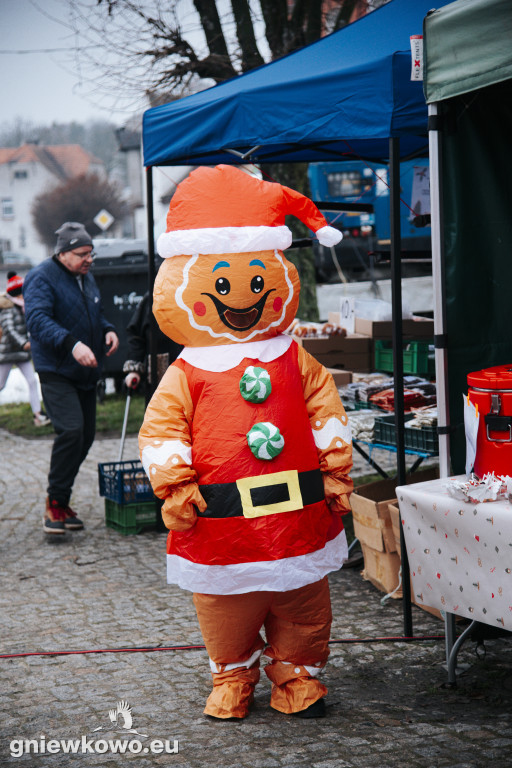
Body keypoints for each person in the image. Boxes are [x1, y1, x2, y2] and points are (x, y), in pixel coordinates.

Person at [139, 165, 353, 720]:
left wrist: (335, 471)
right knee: (227, 602)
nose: (242, 296)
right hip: (223, 521)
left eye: (258, 282)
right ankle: (233, 673)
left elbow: (323, 408)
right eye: (226, 284)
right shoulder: (188, 371)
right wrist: (175, 484)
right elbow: (162, 430)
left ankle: (296, 670)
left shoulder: (292, 356)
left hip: (296, 511)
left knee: (302, 596)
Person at [23, 222, 119, 535]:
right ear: (63, 254)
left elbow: (94, 312)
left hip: (85, 370)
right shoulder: (41, 277)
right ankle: (55, 502)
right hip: (56, 369)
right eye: (82, 254)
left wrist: (107, 329)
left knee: (87, 435)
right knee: (71, 430)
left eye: (91, 253)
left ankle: (61, 500)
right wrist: (72, 344)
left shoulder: (86, 277)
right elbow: (37, 320)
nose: (89, 259)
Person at [0, 271, 50, 427]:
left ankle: (38, 415)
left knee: (32, 381)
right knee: (0, 385)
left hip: (21, 354)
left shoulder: (23, 308)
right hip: (8, 353)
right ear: (17, 294)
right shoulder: (8, 308)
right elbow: (9, 329)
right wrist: (23, 343)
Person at [123, 291, 182, 395]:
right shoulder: (154, 296)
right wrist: (134, 368)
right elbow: (137, 333)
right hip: (159, 372)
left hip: (188, 369)